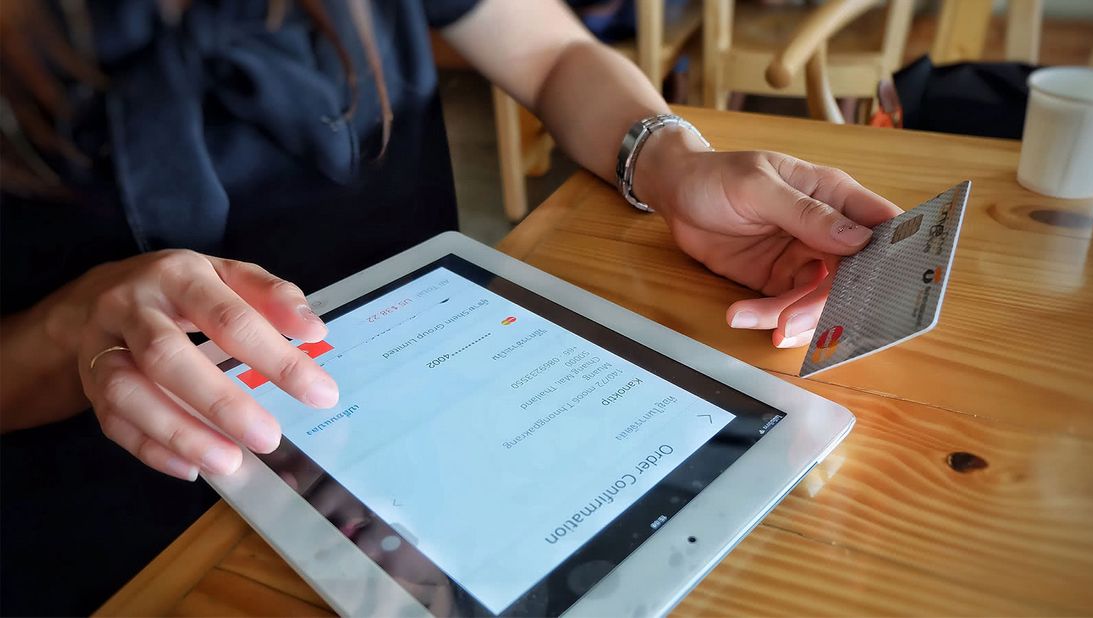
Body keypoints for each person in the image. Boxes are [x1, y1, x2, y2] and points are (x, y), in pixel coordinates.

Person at [0, 0, 902, 614]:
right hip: (131, 493)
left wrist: (670, 163)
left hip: (451, 389)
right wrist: (80, 322)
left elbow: (551, 52)